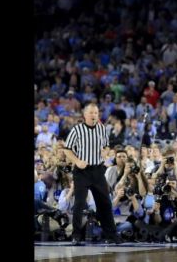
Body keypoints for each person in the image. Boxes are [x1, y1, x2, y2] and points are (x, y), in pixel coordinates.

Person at [60, 103, 121, 245]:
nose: (94, 115)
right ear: (85, 115)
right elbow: (67, 149)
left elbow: (106, 146)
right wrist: (77, 161)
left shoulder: (102, 128)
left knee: (105, 202)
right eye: (91, 113)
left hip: (98, 170)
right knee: (80, 203)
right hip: (82, 171)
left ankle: (111, 235)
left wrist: (105, 151)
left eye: (96, 113)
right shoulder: (77, 130)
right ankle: (76, 235)